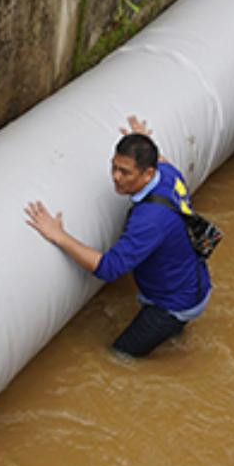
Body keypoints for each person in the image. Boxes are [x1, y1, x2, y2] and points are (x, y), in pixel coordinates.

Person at [24, 116, 210, 358]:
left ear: (147, 174)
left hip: (173, 304)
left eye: (125, 172)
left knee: (118, 358)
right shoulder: (168, 174)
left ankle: (166, 332)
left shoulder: (149, 220)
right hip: (194, 282)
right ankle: (172, 335)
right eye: (114, 166)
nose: (115, 177)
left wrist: (59, 235)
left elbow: (108, 269)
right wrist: (144, 143)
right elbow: (160, 161)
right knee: (165, 332)